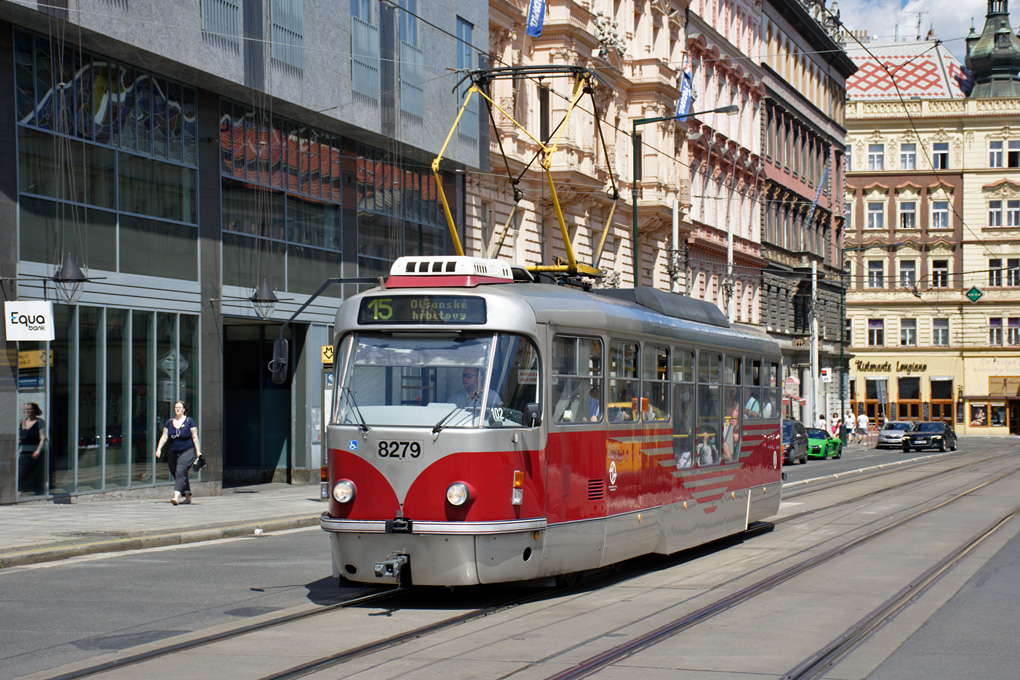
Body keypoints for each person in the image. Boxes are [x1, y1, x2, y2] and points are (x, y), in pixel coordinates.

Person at [155, 400, 203, 505]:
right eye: (176, 407)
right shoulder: (169, 422)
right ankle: (187, 496)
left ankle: (176, 497)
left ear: (184, 409)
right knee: (178, 473)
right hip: (173, 452)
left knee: (180, 471)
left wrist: (198, 452)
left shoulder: (189, 421)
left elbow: (194, 437)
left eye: (179, 407)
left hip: (187, 451)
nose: (177, 409)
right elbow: (164, 436)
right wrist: (159, 448)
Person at [18, 402, 46, 495]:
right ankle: (20, 491)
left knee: (34, 473)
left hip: (34, 451)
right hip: (24, 451)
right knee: (21, 472)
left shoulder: (39, 422)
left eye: (29, 409)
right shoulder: (23, 422)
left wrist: (38, 451)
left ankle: (35, 492)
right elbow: (20, 438)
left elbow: (43, 438)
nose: (27, 411)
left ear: (34, 410)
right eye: (26, 409)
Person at [722, 397, 740, 462]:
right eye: (729, 391)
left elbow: (742, 419)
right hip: (726, 429)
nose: (731, 394)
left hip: (735, 432)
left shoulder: (737, 405)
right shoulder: (722, 404)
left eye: (732, 391)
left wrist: (737, 427)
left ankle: (731, 460)